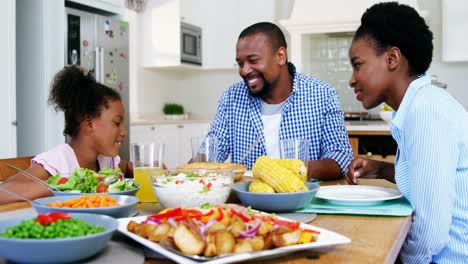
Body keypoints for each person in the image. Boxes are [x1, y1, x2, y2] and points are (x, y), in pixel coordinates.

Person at [345, 2, 468, 263]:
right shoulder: (423, 104)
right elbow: (428, 180)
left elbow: (430, 231)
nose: (351, 79)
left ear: (392, 59)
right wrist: (381, 169)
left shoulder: (425, 111)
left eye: (357, 65)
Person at [206, 22, 353, 181]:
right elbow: (210, 154)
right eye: (240, 63)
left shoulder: (323, 94)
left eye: (253, 60)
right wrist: (188, 174)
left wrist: (298, 170)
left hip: (304, 199)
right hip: (248, 202)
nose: (244, 70)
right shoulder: (231, 97)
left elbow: (341, 157)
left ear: (280, 56)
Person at [0, 66, 129, 205]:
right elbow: (3, 192)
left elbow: (128, 168)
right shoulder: (58, 161)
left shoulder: (105, 160)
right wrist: (64, 184)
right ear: (89, 122)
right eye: (117, 123)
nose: (124, 132)